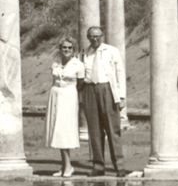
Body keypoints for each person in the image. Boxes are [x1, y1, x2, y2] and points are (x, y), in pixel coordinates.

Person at [79, 25, 126, 176]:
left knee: (113, 129)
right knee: (94, 130)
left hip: (107, 90)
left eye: (98, 36)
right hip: (89, 90)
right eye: (92, 36)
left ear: (102, 36)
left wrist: (121, 96)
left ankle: (119, 165)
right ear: (88, 37)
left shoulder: (112, 51)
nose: (95, 39)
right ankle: (98, 165)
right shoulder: (84, 53)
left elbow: (120, 74)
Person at [45, 37, 83, 178]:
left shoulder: (78, 65)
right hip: (55, 95)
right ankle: (65, 166)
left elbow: (80, 84)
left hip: (69, 96)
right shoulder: (55, 63)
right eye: (64, 47)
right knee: (57, 129)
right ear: (60, 49)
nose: (66, 50)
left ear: (74, 50)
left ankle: (68, 166)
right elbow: (54, 80)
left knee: (64, 130)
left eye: (69, 48)